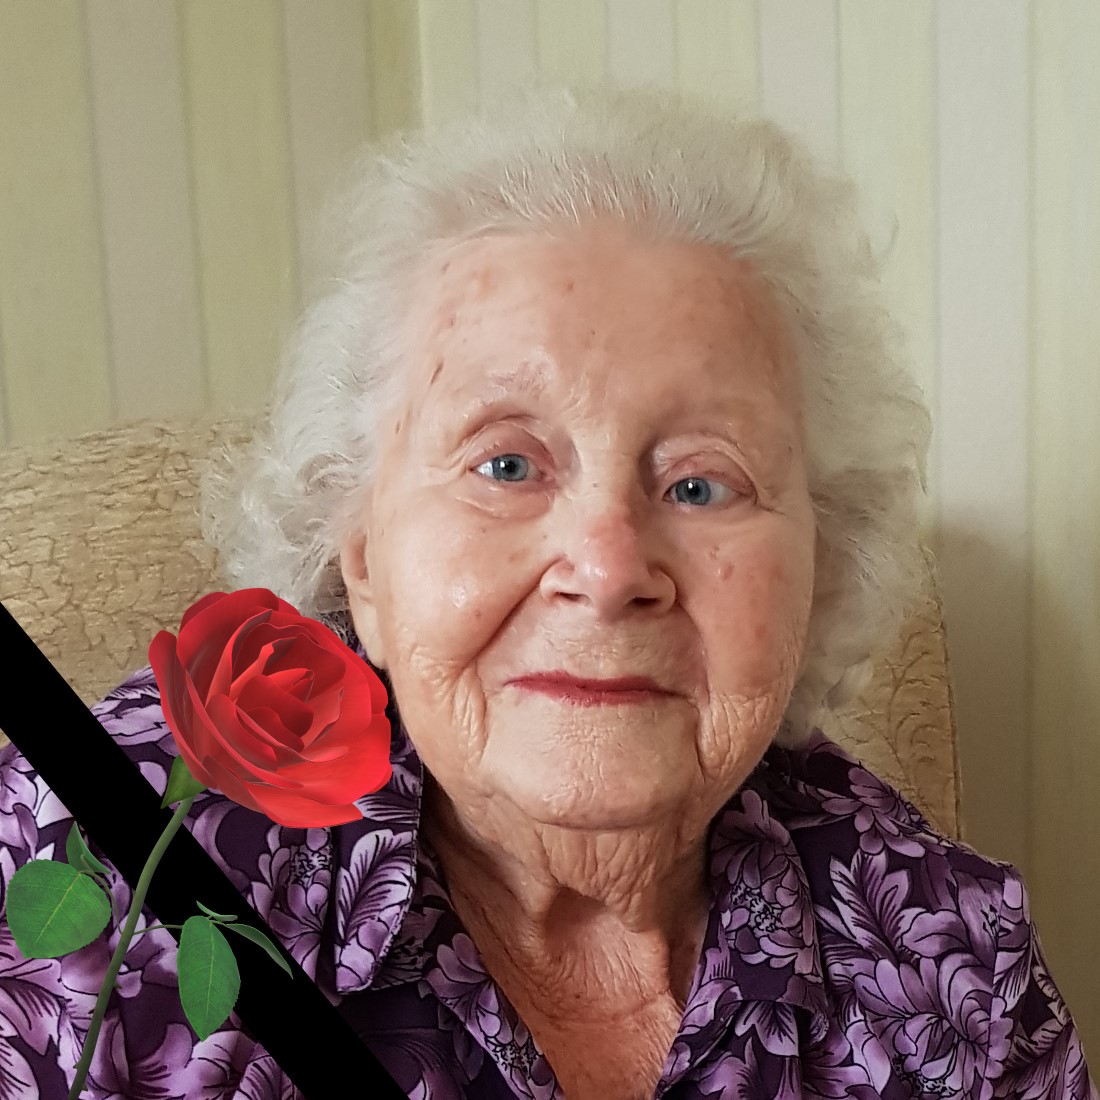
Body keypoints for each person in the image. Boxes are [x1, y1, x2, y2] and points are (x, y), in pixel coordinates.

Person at [0, 88, 1093, 1099]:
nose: (608, 570)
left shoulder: (948, 961)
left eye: (701, 483)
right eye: (506, 463)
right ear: (363, 556)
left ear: (823, 561)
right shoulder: (112, 862)